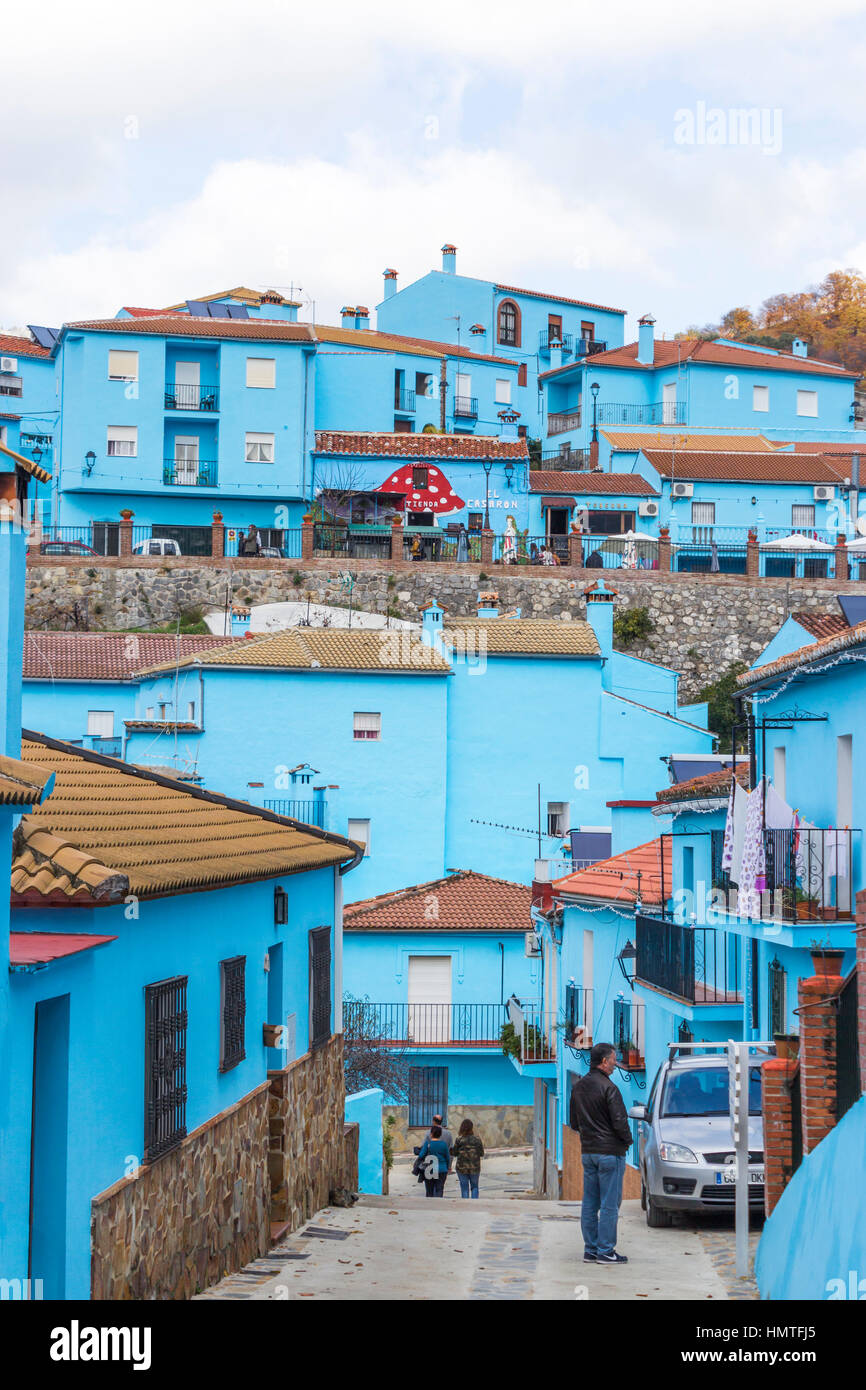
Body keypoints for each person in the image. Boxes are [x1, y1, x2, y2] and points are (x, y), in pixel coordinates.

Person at [569, 1042, 632, 1265]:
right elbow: (620, 1122)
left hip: (588, 1152)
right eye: (614, 1059)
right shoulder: (609, 1088)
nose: (616, 1064)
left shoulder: (578, 1087)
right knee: (609, 1204)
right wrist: (628, 1141)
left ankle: (591, 1250)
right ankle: (606, 1251)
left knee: (589, 1202)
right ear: (604, 1061)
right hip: (610, 1153)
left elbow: (574, 1122)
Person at [451, 1118, 484, 1198]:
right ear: (471, 1128)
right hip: (475, 1168)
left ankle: (466, 1206)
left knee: (464, 1188)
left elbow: (454, 1153)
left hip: (461, 1168)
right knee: (475, 1187)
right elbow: (481, 1153)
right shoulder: (477, 1139)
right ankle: (474, 1205)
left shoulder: (459, 1139)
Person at [417, 1124, 450, 1197]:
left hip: (429, 1170)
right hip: (441, 1169)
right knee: (439, 1189)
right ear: (440, 1134)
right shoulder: (443, 1144)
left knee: (429, 1191)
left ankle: (430, 1205)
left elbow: (421, 1155)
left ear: (431, 1134)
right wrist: (448, 1168)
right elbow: (448, 1157)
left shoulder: (427, 1144)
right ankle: (438, 1205)